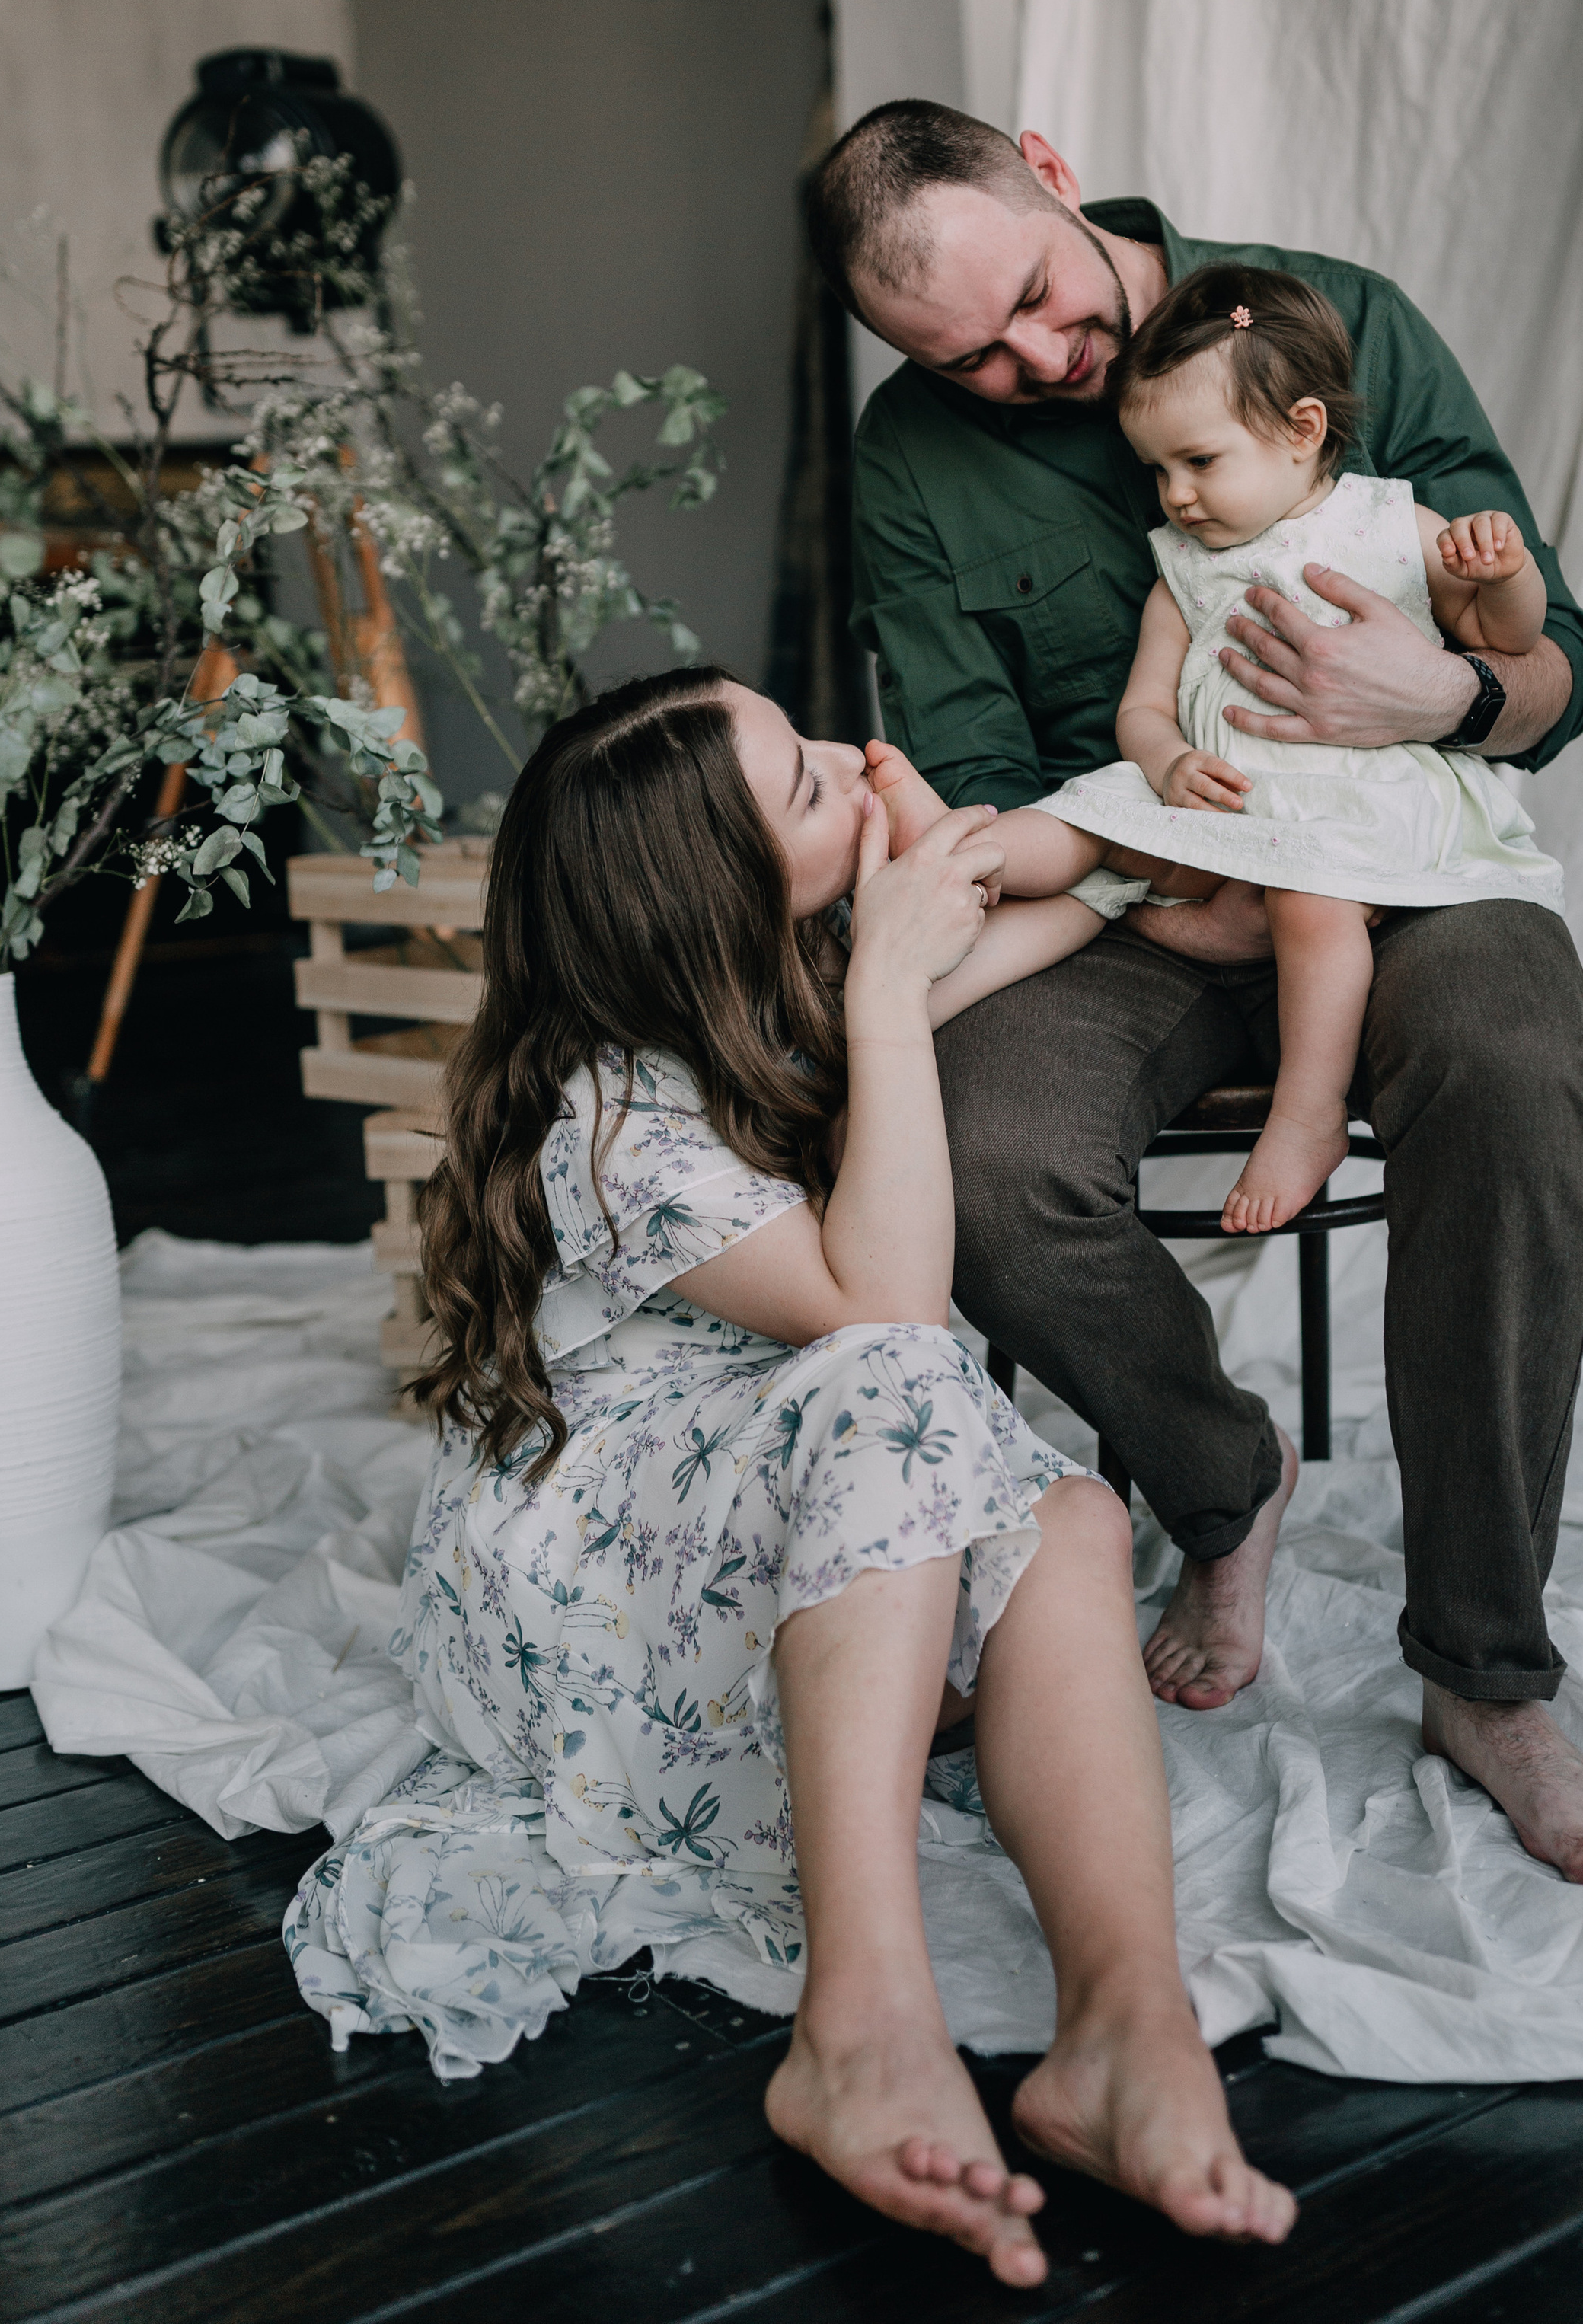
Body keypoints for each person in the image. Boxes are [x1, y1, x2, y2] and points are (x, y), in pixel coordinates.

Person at [811, 98, 1583, 1894]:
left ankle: (1483, 1675)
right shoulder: (906, 456)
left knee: (1510, 1068)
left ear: (1049, 167)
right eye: (969, 358)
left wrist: (1432, 693)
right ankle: (1222, 1483)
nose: (1040, 362)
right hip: (1137, 887)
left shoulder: (1322, 318)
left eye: (1041, 298)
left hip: (1404, 850)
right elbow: (978, 775)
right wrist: (1160, 871)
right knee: (972, 1151)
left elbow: (1548, 660)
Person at [356, 668, 1297, 2284]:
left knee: (1068, 1516)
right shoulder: (605, 1124)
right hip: (605, 1595)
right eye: (804, 786)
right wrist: (885, 993)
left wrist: (1060, 871)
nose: (847, 763)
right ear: (705, 904)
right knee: (897, 1377)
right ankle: (859, 2022)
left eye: (804, 736)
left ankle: (1124, 2030)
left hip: (787, 1480)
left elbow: (1038, 926)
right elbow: (890, 1314)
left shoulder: (779, 981)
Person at [871, 260, 1565, 1238]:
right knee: (1084, 831)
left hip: (1344, 805)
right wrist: (1162, 765)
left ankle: (1306, 1113)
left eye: (1198, 462)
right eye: (1158, 470)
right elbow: (1143, 710)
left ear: (1302, 431)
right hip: (1216, 804)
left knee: (1312, 902)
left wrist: (1504, 575)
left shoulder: (1389, 526)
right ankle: (950, 869)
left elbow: (1510, 642)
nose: (1177, 495)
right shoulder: (1183, 570)